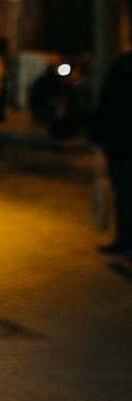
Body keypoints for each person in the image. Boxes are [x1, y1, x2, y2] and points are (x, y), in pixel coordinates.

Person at [91, 50, 132, 255]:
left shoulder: (121, 66)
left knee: (124, 194)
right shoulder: (121, 66)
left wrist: (99, 137)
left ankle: (125, 239)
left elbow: (108, 103)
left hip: (121, 143)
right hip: (121, 142)